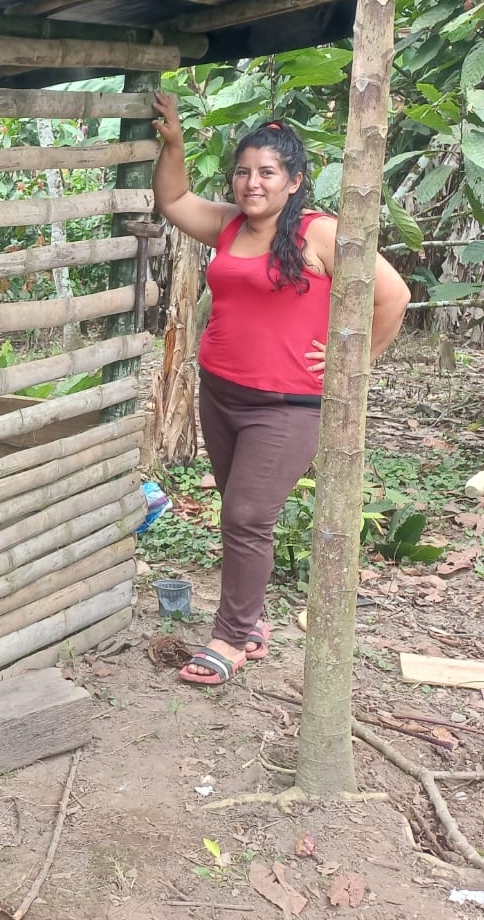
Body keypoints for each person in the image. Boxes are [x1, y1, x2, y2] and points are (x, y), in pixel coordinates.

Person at [150, 92, 409, 687]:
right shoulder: (229, 226)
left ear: (294, 182)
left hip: (288, 404)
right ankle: (250, 622)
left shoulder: (321, 233)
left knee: (246, 514)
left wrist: (353, 364)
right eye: (243, 171)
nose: (252, 183)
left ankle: (231, 636)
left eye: (267, 172)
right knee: (239, 513)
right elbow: (173, 200)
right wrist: (175, 144)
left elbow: (393, 296)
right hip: (221, 393)